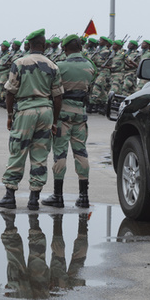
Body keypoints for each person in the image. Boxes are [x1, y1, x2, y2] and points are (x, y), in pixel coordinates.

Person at [0, 29, 62, 210]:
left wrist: (10, 116)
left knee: (18, 150)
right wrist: (54, 122)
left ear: (30, 45)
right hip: (46, 111)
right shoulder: (53, 65)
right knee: (40, 154)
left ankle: (10, 195)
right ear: (44, 45)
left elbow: (10, 92)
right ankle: (34, 198)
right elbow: (58, 97)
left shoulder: (19, 63)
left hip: (25, 111)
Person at [44, 34, 96, 208]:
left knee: (60, 153)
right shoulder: (90, 66)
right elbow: (90, 88)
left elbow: (52, 90)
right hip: (80, 114)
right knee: (81, 152)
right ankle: (84, 196)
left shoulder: (60, 66)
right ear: (80, 47)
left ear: (65, 48)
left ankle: (58, 196)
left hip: (63, 114)